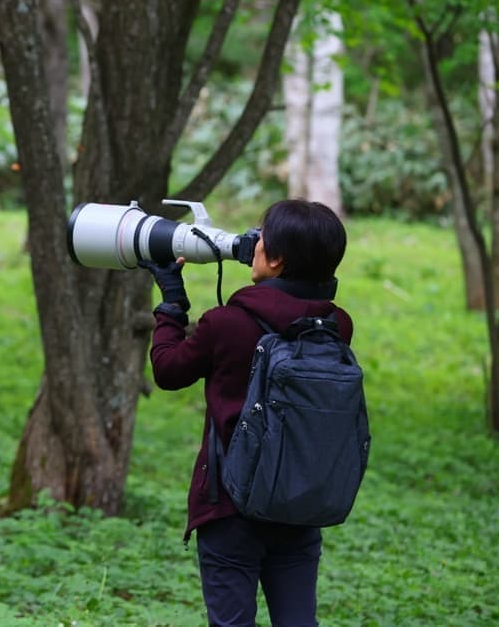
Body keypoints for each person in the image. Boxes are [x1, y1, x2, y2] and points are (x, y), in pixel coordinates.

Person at [141, 199, 351, 627]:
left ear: (275, 259)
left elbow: (168, 369)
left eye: (262, 239)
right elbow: (291, 303)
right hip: (299, 500)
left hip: (230, 507)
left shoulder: (226, 324)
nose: (252, 243)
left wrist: (172, 304)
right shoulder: (336, 326)